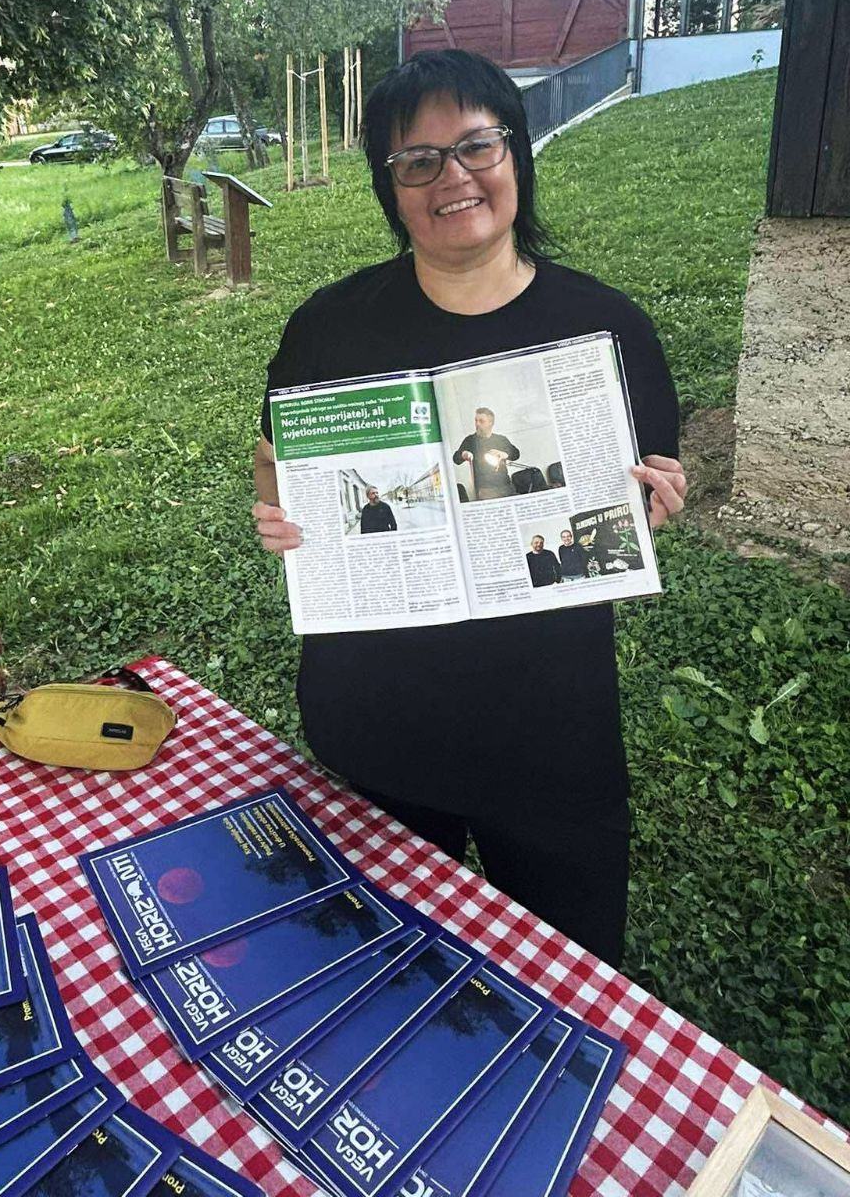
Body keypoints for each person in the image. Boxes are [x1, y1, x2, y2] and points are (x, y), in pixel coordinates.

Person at [252, 48, 686, 967]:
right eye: (419, 161)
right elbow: (274, 462)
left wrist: (652, 503)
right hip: (378, 728)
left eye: (477, 146)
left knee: (567, 977)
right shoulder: (329, 326)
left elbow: (648, 478)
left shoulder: (607, 328)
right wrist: (280, 516)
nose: (453, 178)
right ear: (391, 187)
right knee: (393, 978)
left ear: (516, 154)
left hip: (551, 733)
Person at [454, 408, 519, 499]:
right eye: (476, 421)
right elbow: (456, 459)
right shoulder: (470, 440)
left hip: (506, 486)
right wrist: (463, 454)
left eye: (481, 421)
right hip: (485, 490)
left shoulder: (501, 439)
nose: (477, 424)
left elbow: (516, 454)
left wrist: (505, 454)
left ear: (490, 423)